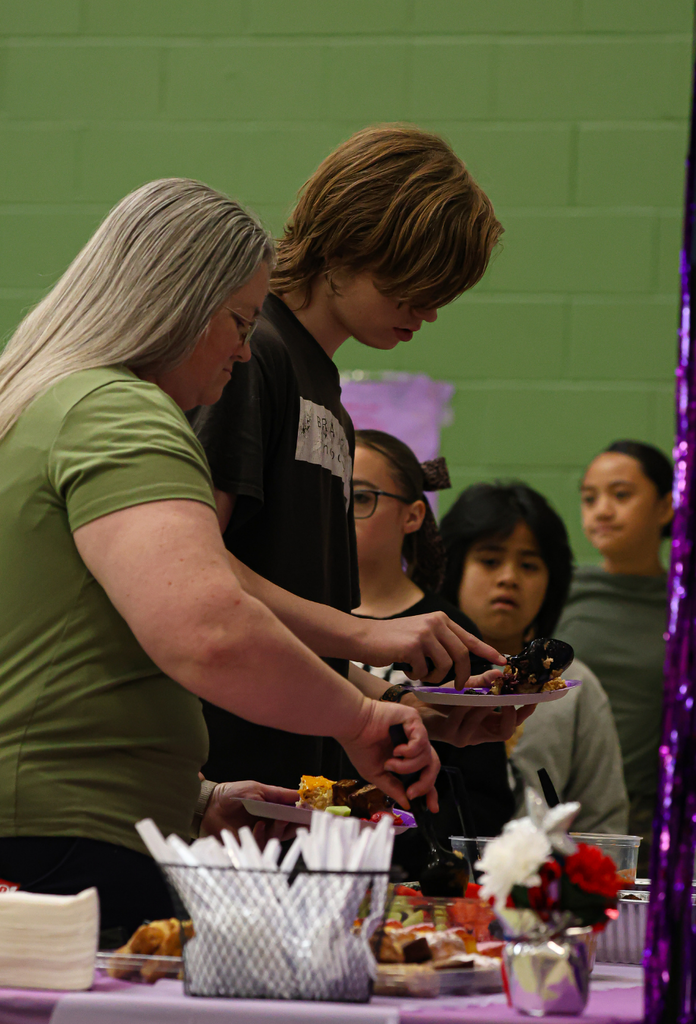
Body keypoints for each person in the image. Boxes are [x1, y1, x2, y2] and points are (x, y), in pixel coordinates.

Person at [0, 179, 444, 975]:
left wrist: (192, 799)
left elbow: (47, 654)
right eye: (238, 322)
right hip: (24, 834)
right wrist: (359, 720)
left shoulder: (38, 407)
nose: (244, 351)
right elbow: (208, 631)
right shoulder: (120, 411)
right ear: (174, 305)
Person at [190, 124, 517, 791]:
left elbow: (290, 634)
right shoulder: (253, 357)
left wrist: (394, 703)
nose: (427, 311)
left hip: (292, 776)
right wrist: (362, 635)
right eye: (415, 284)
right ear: (349, 242)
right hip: (218, 779)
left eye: (442, 294)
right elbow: (192, 567)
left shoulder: (327, 399)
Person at [349, 430, 518, 867]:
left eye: (361, 497)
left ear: (413, 515)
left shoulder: (444, 633)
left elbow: (479, 796)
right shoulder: (301, 617)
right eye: (327, 494)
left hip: (409, 867)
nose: (339, 511)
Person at [438, 482, 629, 836]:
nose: (509, 578)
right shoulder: (422, 674)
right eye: (490, 560)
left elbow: (603, 823)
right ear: (453, 569)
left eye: (529, 565)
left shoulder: (575, 689)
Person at [557, 440, 674, 873]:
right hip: (563, 805)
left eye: (621, 495)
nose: (602, 510)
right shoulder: (562, 592)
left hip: (654, 816)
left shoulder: (691, 607)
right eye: (590, 498)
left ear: (665, 507)